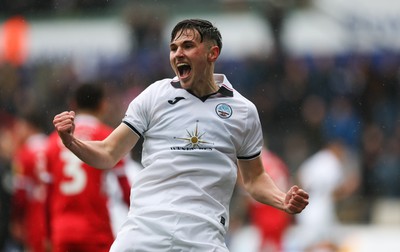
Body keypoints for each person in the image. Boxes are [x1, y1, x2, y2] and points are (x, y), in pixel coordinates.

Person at [53, 19, 309, 251]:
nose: (178, 54)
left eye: (187, 46)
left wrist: (282, 199)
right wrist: (72, 142)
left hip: (203, 239)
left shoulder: (243, 112)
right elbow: (108, 154)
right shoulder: (155, 96)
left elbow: (254, 179)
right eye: (174, 48)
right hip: (144, 236)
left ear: (212, 53)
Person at [46, 83, 131, 252]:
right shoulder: (108, 137)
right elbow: (124, 189)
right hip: (96, 229)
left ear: (73, 105)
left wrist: (48, 233)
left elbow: (47, 194)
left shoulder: (52, 142)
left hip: (62, 229)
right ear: (103, 105)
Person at [10, 109, 49, 252]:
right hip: (55, 213)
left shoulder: (24, 154)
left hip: (35, 215)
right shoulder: (53, 146)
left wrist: (16, 220)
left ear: (28, 126)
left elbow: (20, 194)